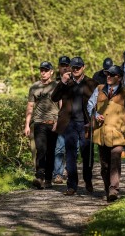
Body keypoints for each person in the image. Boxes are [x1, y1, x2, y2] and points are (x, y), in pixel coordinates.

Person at [87, 65, 125, 202]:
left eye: (111, 75)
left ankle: (114, 189)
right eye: (107, 74)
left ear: (118, 78)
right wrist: (95, 114)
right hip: (101, 134)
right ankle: (108, 189)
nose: (108, 77)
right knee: (104, 166)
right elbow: (90, 104)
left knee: (115, 159)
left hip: (118, 135)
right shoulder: (99, 89)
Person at [51, 56, 98, 195]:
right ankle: (71, 186)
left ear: (83, 67)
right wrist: (62, 83)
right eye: (74, 67)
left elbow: (98, 103)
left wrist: (95, 120)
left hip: (86, 123)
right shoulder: (66, 82)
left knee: (86, 154)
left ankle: (88, 180)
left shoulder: (91, 83)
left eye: (78, 67)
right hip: (69, 124)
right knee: (70, 155)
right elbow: (54, 98)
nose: (76, 69)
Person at [24, 61, 59, 189]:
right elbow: (30, 107)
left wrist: (59, 122)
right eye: (41, 70)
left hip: (53, 123)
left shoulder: (56, 86)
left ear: (51, 72)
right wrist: (27, 125)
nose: (43, 72)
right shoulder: (34, 87)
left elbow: (61, 104)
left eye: (46, 70)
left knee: (51, 152)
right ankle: (39, 176)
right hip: (39, 123)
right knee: (41, 149)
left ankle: (49, 178)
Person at [52, 56, 71, 184]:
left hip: (72, 119)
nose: (64, 67)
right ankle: (57, 174)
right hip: (59, 119)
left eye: (66, 65)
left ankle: (69, 171)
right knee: (59, 148)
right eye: (62, 65)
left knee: (72, 148)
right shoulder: (54, 83)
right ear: (58, 67)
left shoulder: (74, 81)